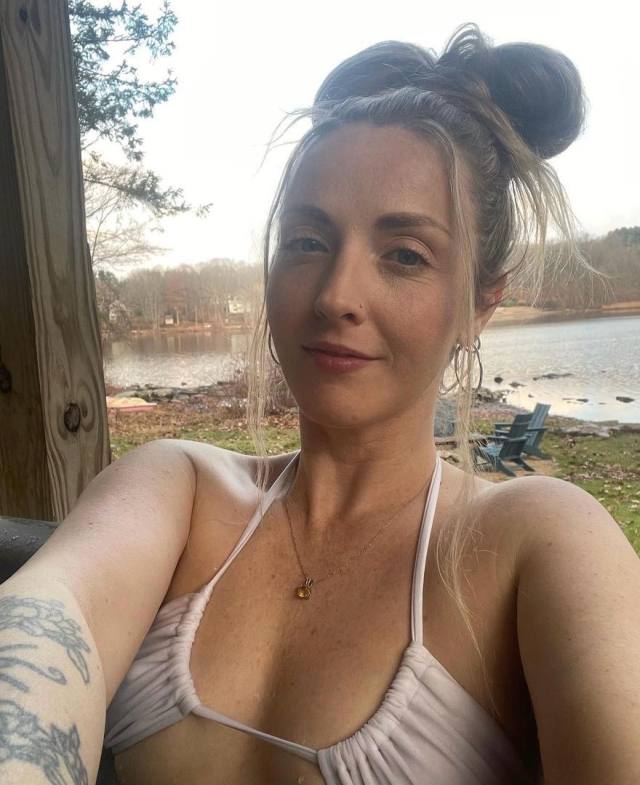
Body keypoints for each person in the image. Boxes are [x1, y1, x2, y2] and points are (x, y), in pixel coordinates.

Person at [1, 22, 639, 785]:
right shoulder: (179, 492)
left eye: (404, 254)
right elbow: (51, 611)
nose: (337, 295)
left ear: (480, 304)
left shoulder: (535, 542)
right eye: (307, 241)